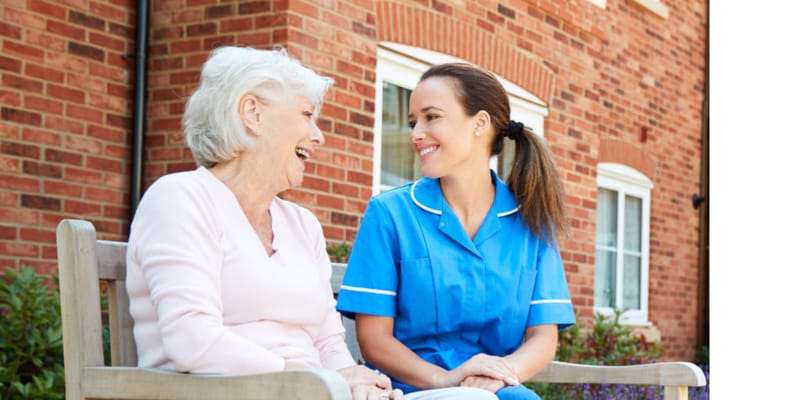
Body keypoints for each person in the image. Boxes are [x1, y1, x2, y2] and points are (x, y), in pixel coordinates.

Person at [125, 46, 406, 400]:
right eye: (307, 114)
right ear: (252, 113)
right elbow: (192, 339)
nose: (318, 136)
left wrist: (356, 382)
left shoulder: (302, 224)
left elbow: (329, 343)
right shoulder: (180, 198)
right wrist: (313, 381)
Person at [335, 62, 575, 400]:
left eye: (431, 117)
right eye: (412, 121)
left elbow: (543, 338)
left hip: (497, 391)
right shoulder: (389, 214)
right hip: (410, 391)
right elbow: (374, 341)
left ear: (480, 124)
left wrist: (495, 377)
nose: (416, 134)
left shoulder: (532, 221)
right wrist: (447, 380)